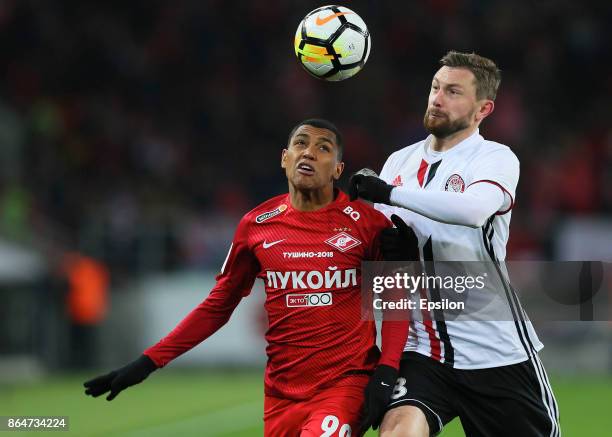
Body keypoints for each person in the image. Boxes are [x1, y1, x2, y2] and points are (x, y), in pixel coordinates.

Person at [84, 119, 411, 436]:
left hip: (344, 387)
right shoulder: (256, 226)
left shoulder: (366, 224)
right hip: (281, 395)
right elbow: (217, 306)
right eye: (301, 144)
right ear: (285, 159)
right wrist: (148, 362)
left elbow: (397, 300)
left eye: (323, 148)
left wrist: (386, 370)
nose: (309, 153)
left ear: (338, 170)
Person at [349, 51, 560, 437]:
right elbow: (383, 262)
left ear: (483, 108)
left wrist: (389, 194)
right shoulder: (399, 162)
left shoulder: (495, 157)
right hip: (423, 352)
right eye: (435, 87)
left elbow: (474, 210)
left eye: (453, 91)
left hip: (495, 350)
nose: (437, 98)